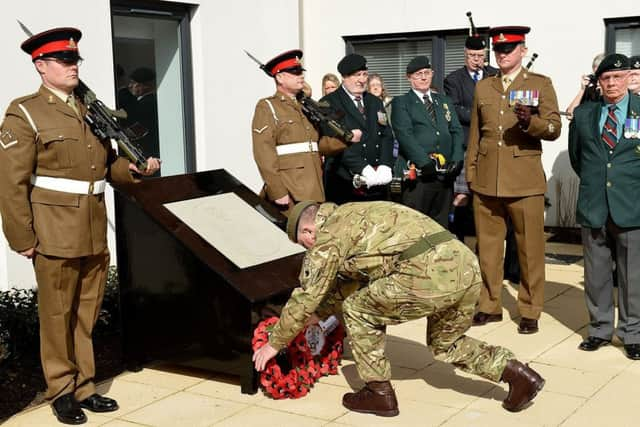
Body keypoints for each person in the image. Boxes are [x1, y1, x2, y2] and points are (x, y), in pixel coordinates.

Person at [0, 27, 161, 425]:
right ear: (41, 66)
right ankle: (61, 390)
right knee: (57, 316)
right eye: (64, 60)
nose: (73, 66)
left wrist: (136, 169)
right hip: (53, 230)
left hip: (91, 225)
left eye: (75, 60)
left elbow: (108, 167)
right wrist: (22, 237)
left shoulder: (90, 110)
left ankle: (85, 385)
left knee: (86, 313)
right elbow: (10, 182)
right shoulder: (24, 113)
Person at [253, 201, 545, 417]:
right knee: (446, 344)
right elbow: (361, 277)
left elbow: (307, 293)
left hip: (428, 273)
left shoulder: (328, 236)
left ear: (308, 229)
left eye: (302, 241)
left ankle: (378, 392)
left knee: (358, 309)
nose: (306, 248)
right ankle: (519, 377)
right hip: (465, 266)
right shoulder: (356, 212)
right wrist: (323, 311)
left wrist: (274, 343)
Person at [466, 26, 561, 334]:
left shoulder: (539, 83)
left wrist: (530, 122)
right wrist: (470, 172)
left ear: (522, 49)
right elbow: (475, 135)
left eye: (509, 49)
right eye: (499, 50)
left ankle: (530, 309)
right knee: (489, 249)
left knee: (530, 250)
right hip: (487, 180)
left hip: (524, 181)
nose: (503, 54)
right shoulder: (485, 87)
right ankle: (489, 305)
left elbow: (553, 128)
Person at [569, 54, 640, 360]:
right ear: (598, 83)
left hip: (631, 203)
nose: (611, 84)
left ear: (628, 78)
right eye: (605, 79)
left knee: (633, 274)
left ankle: (632, 333)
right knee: (596, 272)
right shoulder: (585, 114)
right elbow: (577, 157)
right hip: (594, 202)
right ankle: (599, 329)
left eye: (617, 77)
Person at [444, 32, 520, 284]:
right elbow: (454, 110)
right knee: (462, 201)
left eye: (480, 56)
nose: (476, 60)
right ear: (465, 55)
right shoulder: (453, 79)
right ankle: (459, 254)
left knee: (489, 203)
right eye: (472, 56)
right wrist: (482, 113)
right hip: (467, 146)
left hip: (492, 149)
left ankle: (487, 260)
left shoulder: (494, 74)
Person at [391, 55, 464, 227]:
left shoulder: (443, 101)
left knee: (441, 226)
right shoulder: (402, 102)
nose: (424, 77)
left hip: (444, 175)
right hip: (419, 175)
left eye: (426, 73)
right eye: (418, 74)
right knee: (417, 226)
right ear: (409, 77)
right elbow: (404, 135)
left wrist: (457, 159)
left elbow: (456, 130)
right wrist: (424, 162)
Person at [251, 49, 326, 213]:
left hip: (314, 185)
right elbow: (263, 152)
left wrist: (347, 139)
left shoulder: (307, 107)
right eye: (294, 72)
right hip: (291, 188)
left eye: (301, 72)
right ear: (279, 77)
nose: (301, 76)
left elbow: (318, 143)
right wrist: (277, 190)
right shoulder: (267, 106)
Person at [320, 54, 394, 204]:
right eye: (357, 75)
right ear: (344, 77)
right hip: (345, 182)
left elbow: (386, 135)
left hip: (376, 183)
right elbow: (335, 144)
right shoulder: (328, 103)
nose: (362, 80)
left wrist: (385, 165)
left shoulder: (374, 101)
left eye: (364, 74)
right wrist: (363, 168)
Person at [122, 67, 160, 161]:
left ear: (145, 85)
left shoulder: (146, 104)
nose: (130, 86)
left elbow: (139, 129)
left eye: (133, 83)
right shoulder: (148, 101)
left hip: (147, 153)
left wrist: (122, 135)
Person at [565, 53, 606, 118]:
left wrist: (604, 92)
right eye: (596, 75)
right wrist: (582, 89)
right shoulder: (591, 88)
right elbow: (569, 115)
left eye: (602, 76)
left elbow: (627, 117)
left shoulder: (616, 90)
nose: (598, 80)